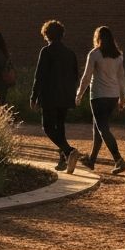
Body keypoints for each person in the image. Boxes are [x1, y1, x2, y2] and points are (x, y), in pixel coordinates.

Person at [30, 19, 81, 173]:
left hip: (50, 96)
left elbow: (39, 76)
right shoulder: (70, 53)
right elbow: (75, 76)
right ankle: (63, 161)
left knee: (47, 127)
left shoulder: (46, 51)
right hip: (65, 96)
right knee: (60, 127)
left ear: (47, 34)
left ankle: (68, 150)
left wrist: (33, 96)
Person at [75, 25, 125, 175]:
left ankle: (118, 159)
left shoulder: (95, 54)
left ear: (98, 38)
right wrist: (122, 98)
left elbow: (86, 77)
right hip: (113, 96)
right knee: (98, 128)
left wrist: (79, 94)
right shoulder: (118, 56)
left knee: (103, 129)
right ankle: (91, 160)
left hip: (98, 96)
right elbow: (121, 78)